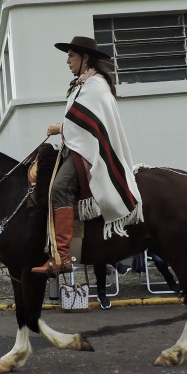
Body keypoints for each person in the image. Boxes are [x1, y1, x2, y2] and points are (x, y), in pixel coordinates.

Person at [32, 36, 142, 276]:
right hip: (78, 146)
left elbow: (87, 123)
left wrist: (59, 128)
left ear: (85, 58)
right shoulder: (83, 84)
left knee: (59, 187)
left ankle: (62, 257)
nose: (67, 61)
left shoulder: (96, 85)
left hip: (89, 150)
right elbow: (81, 121)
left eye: (71, 55)